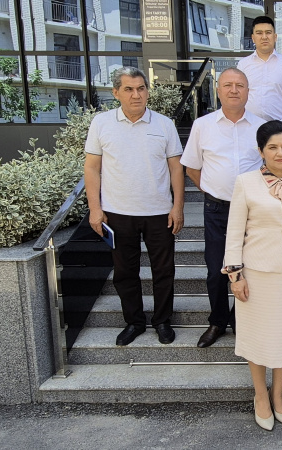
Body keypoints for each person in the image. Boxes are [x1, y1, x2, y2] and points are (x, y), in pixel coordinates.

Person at [223, 120, 282, 431]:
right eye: (273, 147)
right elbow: (234, 231)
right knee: (257, 337)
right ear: (261, 151)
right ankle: (260, 394)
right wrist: (235, 275)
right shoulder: (245, 182)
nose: (280, 152)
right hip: (257, 272)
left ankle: (279, 394)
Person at [83, 67, 184, 346]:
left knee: (163, 271)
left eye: (141, 88)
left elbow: (176, 169)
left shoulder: (164, 124)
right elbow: (92, 169)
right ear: (116, 93)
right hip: (117, 212)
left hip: (159, 212)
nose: (136, 94)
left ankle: (162, 321)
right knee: (125, 272)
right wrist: (95, 208)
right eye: (129, 89)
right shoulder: (101, 123)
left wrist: (177, 207)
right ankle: (134, 322)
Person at [180, 68, 265, 348]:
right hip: (217, 209)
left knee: (251, 267)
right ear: (218, 90)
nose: (233, 90)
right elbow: (192, 166)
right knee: (217, 267)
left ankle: (242, 318)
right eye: (227, 85)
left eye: (240, 85)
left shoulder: (261, 126)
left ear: (247, 91)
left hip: (253, 210)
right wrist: (212, 189)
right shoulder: (203, 125)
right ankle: (217, 321)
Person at [237, 16, 282, 121]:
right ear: (253, 38)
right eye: (259, 33)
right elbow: (238, 97)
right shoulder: (243, 65)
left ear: (275, 37)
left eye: (268, 32)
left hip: (278, 126)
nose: (264, 37)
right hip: (249, 125)